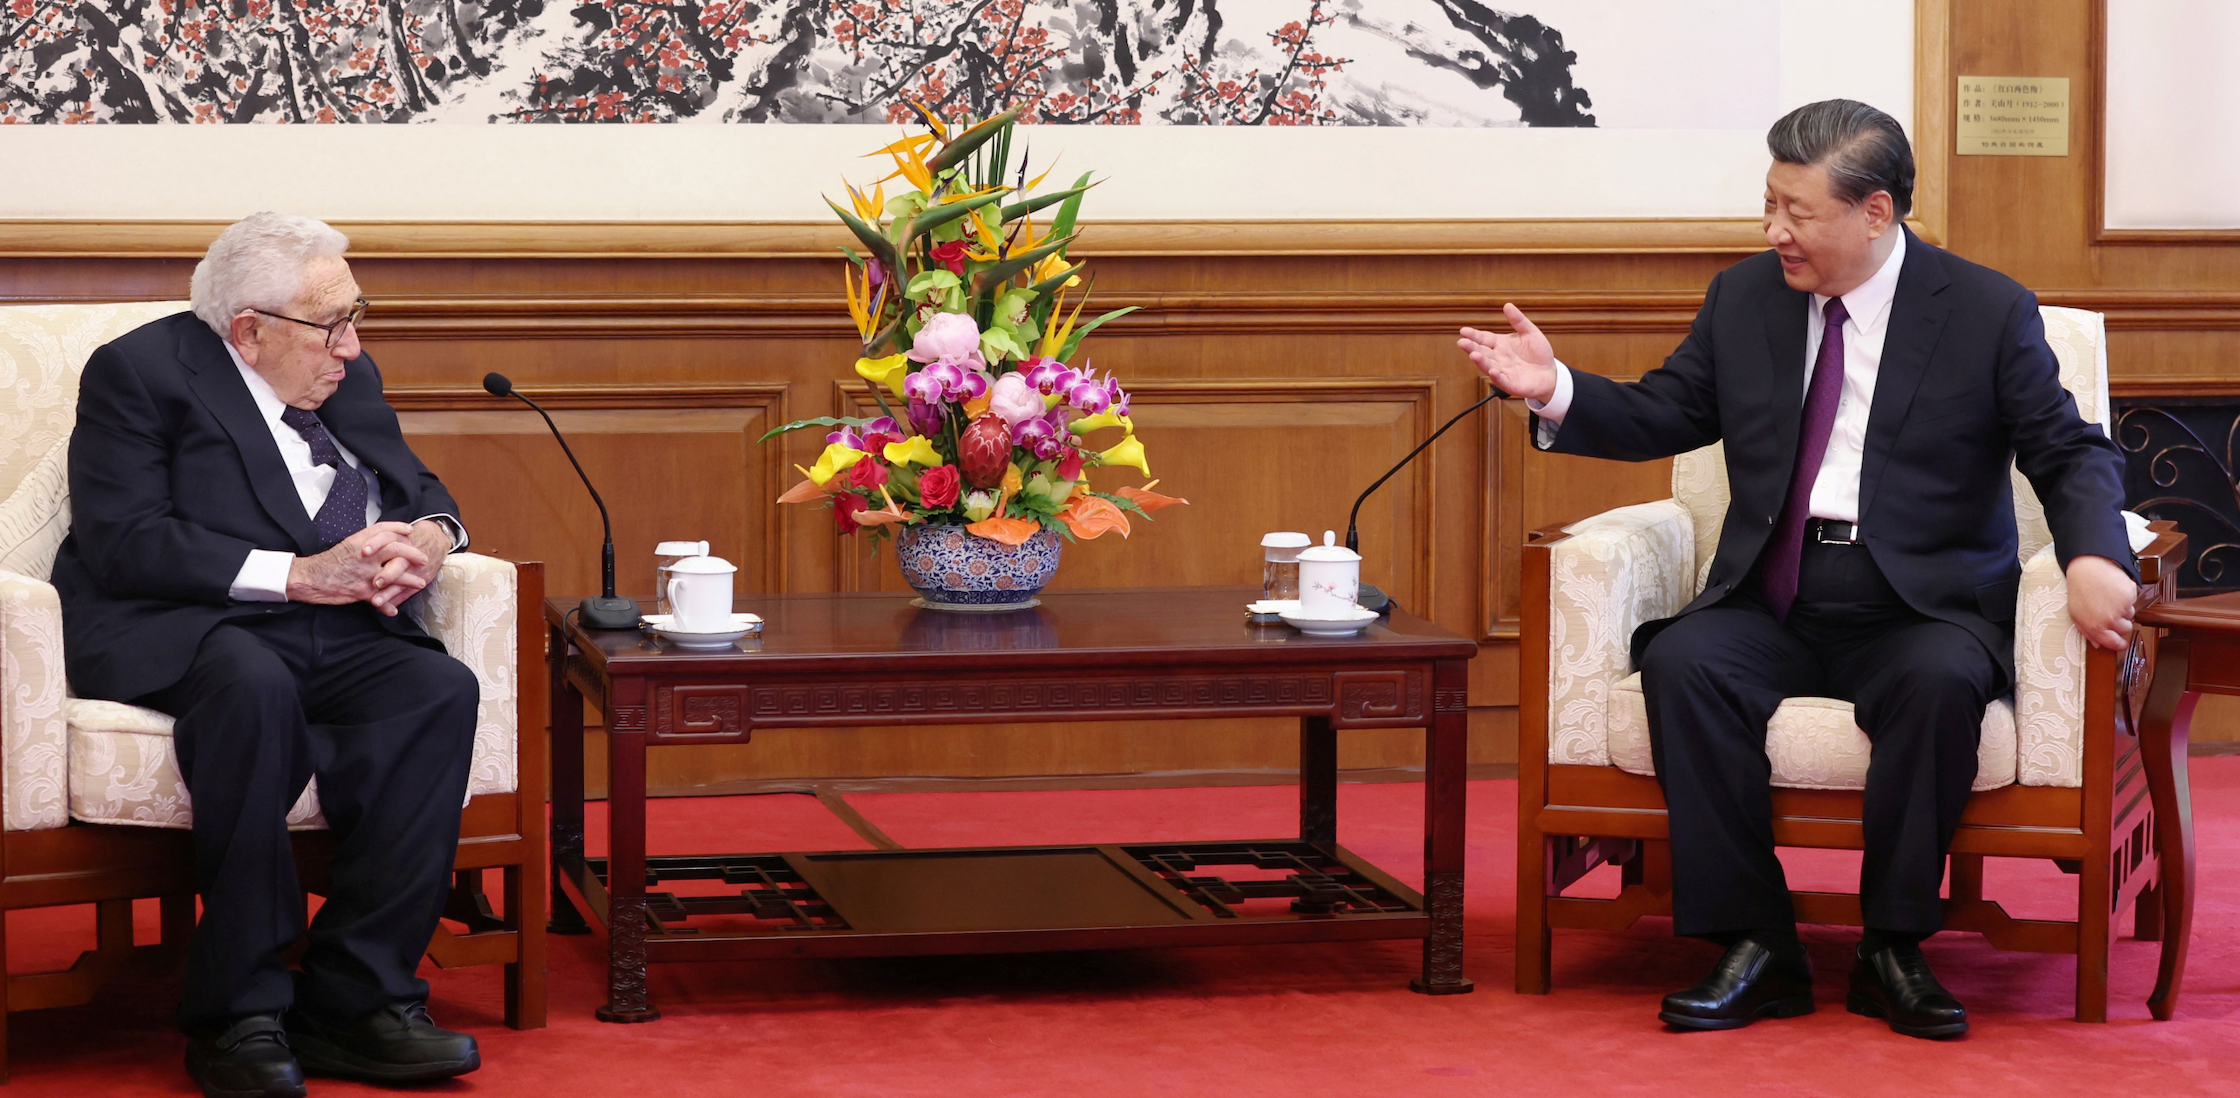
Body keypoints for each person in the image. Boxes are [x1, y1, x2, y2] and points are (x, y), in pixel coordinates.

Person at [1460, 100, 2137, 1039]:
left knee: (1940, 684)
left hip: (1919, 607)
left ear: (1876, 211)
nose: (1774, 230)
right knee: (1686, 665)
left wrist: (2095, 556)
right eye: (1768, 204)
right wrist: (1557, 389)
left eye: (1797, 211)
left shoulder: (1983, 310)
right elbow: (1671, 410)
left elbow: (2069, 451)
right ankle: (1757, 944)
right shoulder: (1745, 297)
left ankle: (1892, 946)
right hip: (1774, 595)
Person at [56, 213, 484, 1097]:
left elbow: (421, 487)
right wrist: (296, 576)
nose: (353, 348)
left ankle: (360, 1002)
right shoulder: (141, 374)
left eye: (355, 317)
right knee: (252, 686)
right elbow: (124, 540)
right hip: (184, 623)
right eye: (333, 324)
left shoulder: (342, 379)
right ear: (248, 329)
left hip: (328, 627)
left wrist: (436, 539)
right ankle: (238, 1014)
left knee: (434, 688)